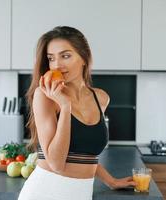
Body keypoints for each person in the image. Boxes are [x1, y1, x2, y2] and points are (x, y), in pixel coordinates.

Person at [18, 26, 136, 200]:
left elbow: (85, 153)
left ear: (84, 58)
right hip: (44, 192)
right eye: (51, 58)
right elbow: (57, 163)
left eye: (65, 55)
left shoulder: (101, 98)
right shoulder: (45, 96)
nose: (57, 64)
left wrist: (111, 181)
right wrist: (65, 107)